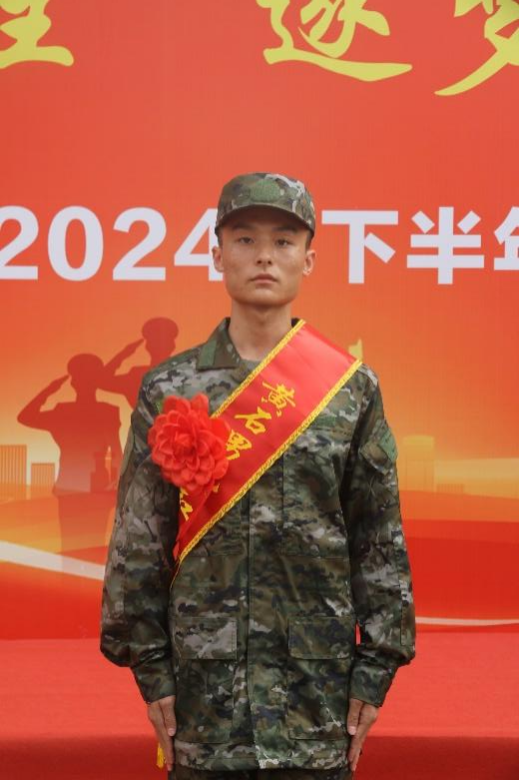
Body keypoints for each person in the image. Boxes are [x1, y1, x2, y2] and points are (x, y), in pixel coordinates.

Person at [100, 172, 416, 781]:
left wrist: (376, 670)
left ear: (309, 259)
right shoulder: (170, 388)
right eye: (244, 239)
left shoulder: (349, 390)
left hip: (316, 696)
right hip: (203, 698)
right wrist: (152, 670)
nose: (265, 256)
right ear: (217, 255)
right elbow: (139, 542)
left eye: (284, 241)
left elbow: (378, 539)